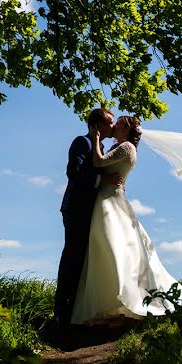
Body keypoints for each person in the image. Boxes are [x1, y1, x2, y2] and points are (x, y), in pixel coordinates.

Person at [71, 115, 182, 325]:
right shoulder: (118, 147)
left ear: (126, 129)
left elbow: (98, 162)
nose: (114, 127)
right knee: (107, 249)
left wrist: (95, 139)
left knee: (113, 248)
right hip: (106, 199)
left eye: (119, 125)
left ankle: (124, 299)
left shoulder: (127, 148)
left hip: (109, 200)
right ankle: (111, 304)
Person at [53, 108, 121, 327]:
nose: (113, 125)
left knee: (86, 259)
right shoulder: (82, 142)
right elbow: (74, 172)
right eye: (110, 122)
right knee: (73, 256)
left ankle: (77, 310)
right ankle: (61, 313)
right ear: (96, 125)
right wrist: (102, 179)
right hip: (76, 208)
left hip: (94, 210)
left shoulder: (102, 148)